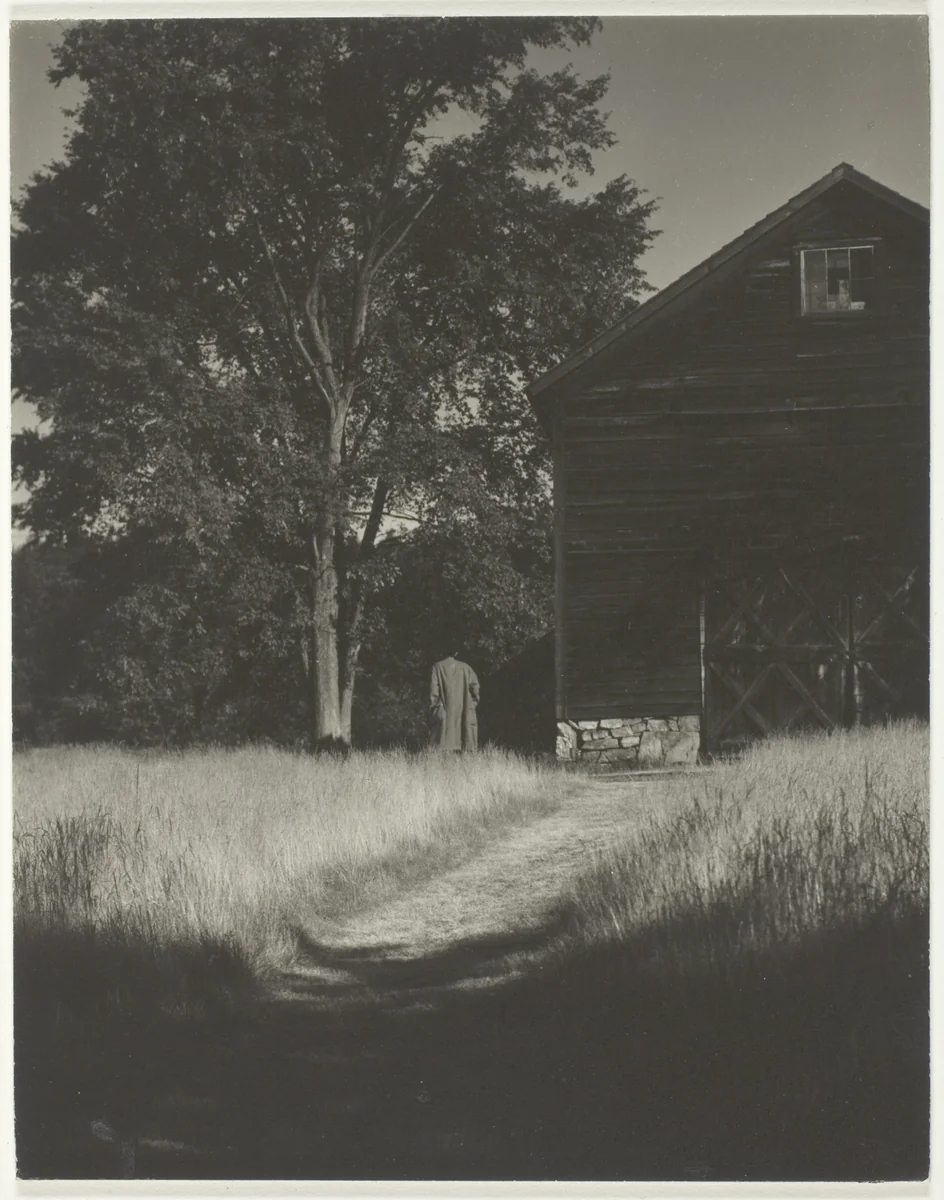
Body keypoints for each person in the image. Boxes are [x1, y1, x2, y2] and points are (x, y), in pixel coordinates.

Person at [429, 651, 480, 752]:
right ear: (456, 653)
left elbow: (433, 693)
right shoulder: (466, 668)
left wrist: (435, 708)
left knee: (441, 747)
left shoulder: (437, 667)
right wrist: (471, 704)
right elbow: (475, 688)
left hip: (444, 714)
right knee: (466, 744)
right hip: (464, 710)